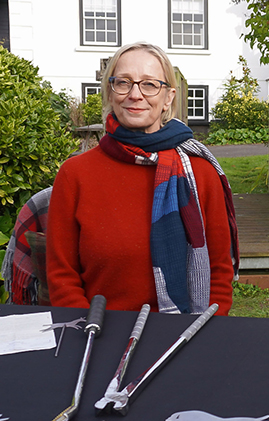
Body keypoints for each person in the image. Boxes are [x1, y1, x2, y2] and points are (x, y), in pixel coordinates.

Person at [46, 41, 238, 315]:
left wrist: (202, 331)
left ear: (168, 97)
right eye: (123, 83)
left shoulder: (200, 172)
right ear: (110, 92)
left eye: (149, 84)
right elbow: (62, 276)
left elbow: (219, 272)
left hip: (187, 330)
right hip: (100, 329)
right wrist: (89, 329)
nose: (135, 94)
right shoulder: (75, 174)